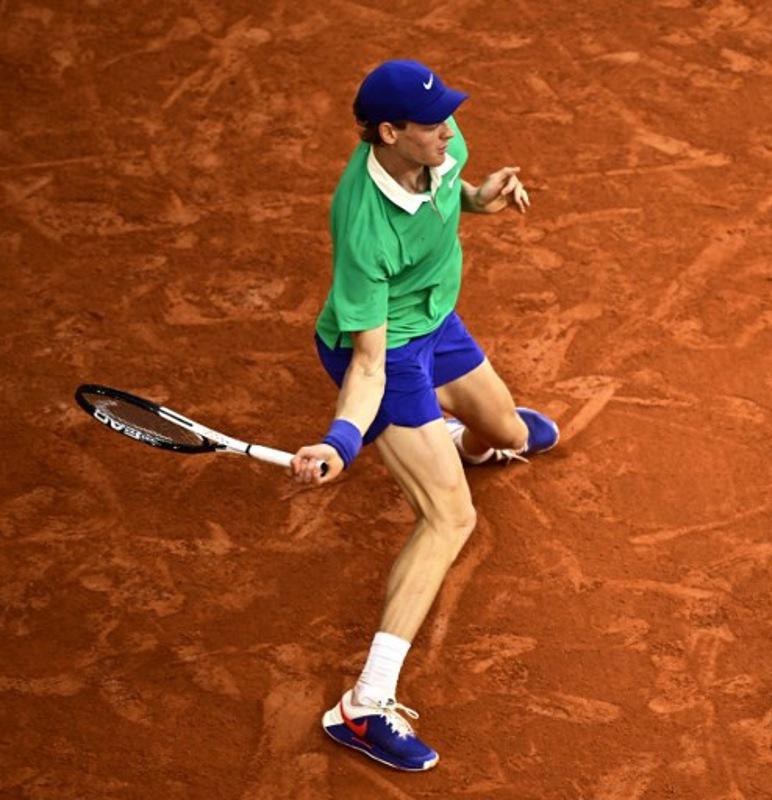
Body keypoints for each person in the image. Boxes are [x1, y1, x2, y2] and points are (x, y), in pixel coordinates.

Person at [290, 59, 560, 772]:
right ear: (388, 132)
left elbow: (450, 187)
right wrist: (343, 440)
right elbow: (370, 366)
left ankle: (463, 440)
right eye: (432, 124)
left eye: (448, 117)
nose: (450, 131)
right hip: (387, 355)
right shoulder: (362, 230)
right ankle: (363, 705)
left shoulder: (442, 145)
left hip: (438, 320)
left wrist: (477, 198)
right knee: (450, 518)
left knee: (508, 433)